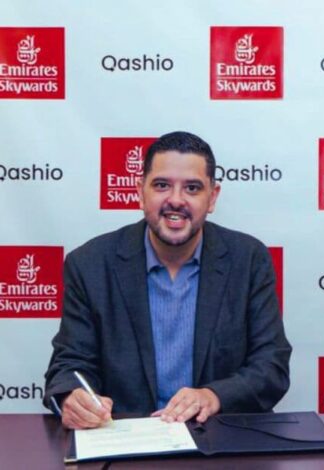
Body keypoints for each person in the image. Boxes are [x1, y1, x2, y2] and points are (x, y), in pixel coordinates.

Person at [44, 131, 291, 429]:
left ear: (212, 198)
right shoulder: (90, 264)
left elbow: (271, 365)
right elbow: (69, 365)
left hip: (221, 436)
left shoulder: (249, 259)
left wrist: (213, 396)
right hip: (127, 439)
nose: (176, 200)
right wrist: (72, 397)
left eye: (192, 188)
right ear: (140, 191)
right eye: (162, 185)